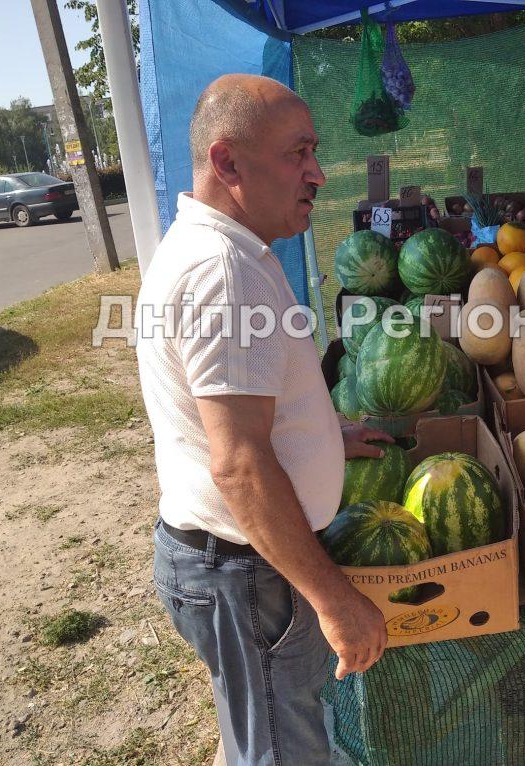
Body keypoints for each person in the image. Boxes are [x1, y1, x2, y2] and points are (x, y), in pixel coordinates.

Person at [136, 74, 390, 766]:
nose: (317, 172)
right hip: (245, 575)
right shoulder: (224, 271)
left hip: (235, 567)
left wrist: (323, 438)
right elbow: (239, 461)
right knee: (280, 752)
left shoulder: (228, 249)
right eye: (297, 153)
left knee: (261, 732)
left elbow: (232, 413)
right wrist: (335, 602)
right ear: (227, 163)